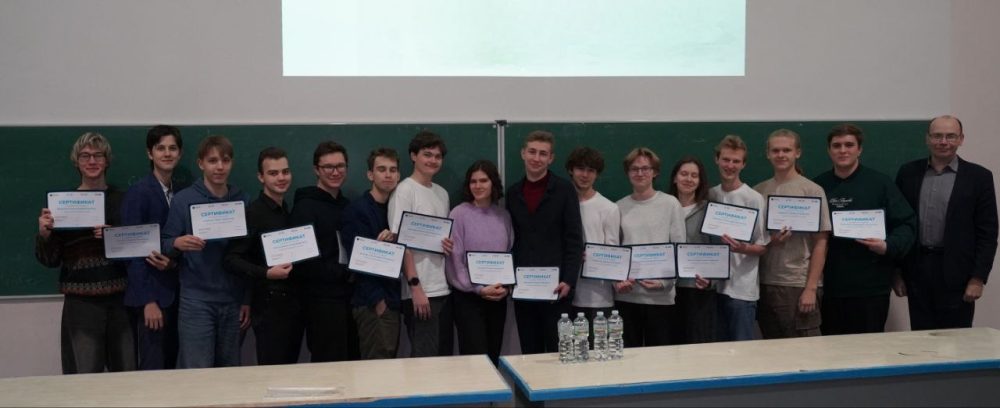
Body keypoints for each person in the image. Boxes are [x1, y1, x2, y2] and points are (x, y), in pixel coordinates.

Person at [36, 131, 136, 374]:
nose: (92, 161)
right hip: (80, 304)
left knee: (126, 376)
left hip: (120, 300)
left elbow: (139, 249)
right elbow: (50, 260)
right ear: (76, 161)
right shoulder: (61, 204)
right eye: (85, 156)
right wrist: (45, 235)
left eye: (98, 155)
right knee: (84, 377)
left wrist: (114, 236)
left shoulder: (124, 200)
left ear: (107, 160)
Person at [895, 115, 998, 329]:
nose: (943, 142)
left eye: (950, 136)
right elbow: (897, 224)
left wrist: (978, 278)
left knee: (956, 340)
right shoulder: (908, 173)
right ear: (927, 139)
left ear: (961, 139)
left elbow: (988, 233)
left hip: (958, 274)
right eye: (937, 136)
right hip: (917, 270)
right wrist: (896, 274)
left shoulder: (979, 177)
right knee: (921, 337)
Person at [814, 124, 917, 335]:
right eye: (837, 146)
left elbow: (907, 224)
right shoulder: (818, 186)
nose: (843, 150)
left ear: (859, 149)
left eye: (849, 145)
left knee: (869, 348)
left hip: (872, 286)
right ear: (829, 150)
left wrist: (887, 246)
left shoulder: (880, 183)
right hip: (830, 286)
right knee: (830, 348)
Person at [161, 135, 250, 368]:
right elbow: (164, 243)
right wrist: (177, 243)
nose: (219, 167)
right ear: (201, 163)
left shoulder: (241, 200)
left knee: (229, 371)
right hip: (196, 301)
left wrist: (246, 300)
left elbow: (249, 254)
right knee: (197, 371)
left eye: (225, 160)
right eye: (212, 161)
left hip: (232, 301)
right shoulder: (183, 200)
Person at [506, 130, 584, 354]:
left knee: (558, 353)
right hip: (524, 289)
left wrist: (569, 280)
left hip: (557, 289)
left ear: (551, 158)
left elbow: (574, 239)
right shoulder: (513, 193)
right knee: (529, 353)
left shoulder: (564, 190)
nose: (536, 158)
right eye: (532, 152)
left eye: (543, 153)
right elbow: (510, 240)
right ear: (523, 153)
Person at [224, 147, 304, 364]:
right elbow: (231, 259)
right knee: (273, 371)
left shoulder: (287, 209)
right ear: (261, 177)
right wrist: (267, 273)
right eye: (273, 173)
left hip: (292, 304)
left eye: (285, 172)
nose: (281, 178)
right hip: (268, 306)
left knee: (290, 369)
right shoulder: (253, 213)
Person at [754, 129, 831, 339]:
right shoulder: (758, 191)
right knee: (773, 349)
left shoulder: (812, 191)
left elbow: (821, 243)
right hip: (765, 282)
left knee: (805, 348)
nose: (781, 155)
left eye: (786, 150)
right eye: (775, 150)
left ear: (797, 152)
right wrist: (772, 241)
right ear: (768, 154)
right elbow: (756, 240)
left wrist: (811, 288)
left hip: (798, 283)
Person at [121, 125, 185, 370]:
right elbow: (132, 251)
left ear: (179, 153)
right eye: (160, 148)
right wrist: (148, 301)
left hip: (176, 295)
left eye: (172, 148)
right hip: (152, 300)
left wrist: (173, 263)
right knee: (153, 370)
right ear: (150, 153)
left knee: (172, 367)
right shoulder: (139, 193)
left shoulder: (180, 193)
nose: (167, 153)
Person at [289, 141, 358, 362]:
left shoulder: (347, 206)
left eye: (340, 166)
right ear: (316, 170)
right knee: (328, 364)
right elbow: (302, 261)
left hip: (349, 297)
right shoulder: (305, 207)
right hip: (321, 301)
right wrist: (338, 272)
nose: (335, 172)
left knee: (351, 361)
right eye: (328, 167)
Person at [388, 130, 454, 357]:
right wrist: (415, 287)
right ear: (413, 156)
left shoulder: (442, 193)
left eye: (438, 156)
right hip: (419, 292)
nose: (433, 160)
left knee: (442, 358)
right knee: (425, 362)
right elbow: (401, 244)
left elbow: (439, 238)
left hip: (442, 288)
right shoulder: (404, 191)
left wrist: (446, 245)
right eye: (427, 154)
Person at [614, 147, 686, 347]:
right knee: (629, 358)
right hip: (627, 297)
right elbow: (614, 251)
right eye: (634, 169)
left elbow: (679, 248)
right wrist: (618, 281)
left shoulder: (670, 204)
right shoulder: (618, 207)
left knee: (660, 359)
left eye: (645, 168)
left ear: (655, 172)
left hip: (660, 298)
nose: (640, 173)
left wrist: (665, 283)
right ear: (628, 173)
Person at [446, 160, 513, 365]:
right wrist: (478, 289)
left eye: (483, 180)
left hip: (497, 296)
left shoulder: (503, 216)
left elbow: (508, 253)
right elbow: (455, 259)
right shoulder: (458, 214)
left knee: (493, 355)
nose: (478, 186)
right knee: (475, 360)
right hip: (468, 299)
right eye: (473, 181)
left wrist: (505, 287)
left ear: (493, 183)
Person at [703, 135, 769, 342]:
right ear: (717, 159)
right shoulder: (709, 195)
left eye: (736, 161)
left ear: (743, 164)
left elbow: (763, 247)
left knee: (742, 353)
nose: (730, 165)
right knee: (717, 352)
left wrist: (742, 248)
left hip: (741, 290)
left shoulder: (753, 198)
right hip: (712, 289)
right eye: (726, 159)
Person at [344, 148, 403, 360]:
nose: (388, 175)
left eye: (393, 170)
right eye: (381, 169)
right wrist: (378, 302)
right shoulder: (357, 211)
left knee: (388, 363)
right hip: (373, 302)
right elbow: (357, 260)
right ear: (370, 174)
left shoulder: (396, 210)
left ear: (398, 175)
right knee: (377, 366)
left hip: (393, 299)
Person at [566, 147, 620, 335]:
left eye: (591, 170)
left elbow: (613, 251)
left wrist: (597, 258)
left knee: (597, 348)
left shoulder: (609, 208)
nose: (585, 175)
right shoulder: (560, 203)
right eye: (580, 169)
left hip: (598, 296)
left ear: (597, 174)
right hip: (564, 293)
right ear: (571, 170)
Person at [667, 156, 716, 344]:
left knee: (697, 345)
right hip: (666, 290)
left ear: (700, 181)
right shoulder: (663, 207)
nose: (688, 179)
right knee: (670, 345)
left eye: (694, 175)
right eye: (684, 174)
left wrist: (710, 280)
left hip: (697, 290)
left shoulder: (710, 211)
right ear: (675, 178)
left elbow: (719, 250)